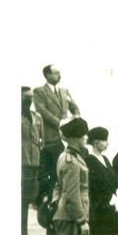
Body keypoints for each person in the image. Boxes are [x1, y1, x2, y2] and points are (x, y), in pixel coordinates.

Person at [51, 117, 89, 235]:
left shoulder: (70, 157)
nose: (86, 138)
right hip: (70, 216)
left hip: (66, 214)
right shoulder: (71, 161)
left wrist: (56, 202)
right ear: (74, 138)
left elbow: (59, 187)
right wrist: (82, 220)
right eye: (83, 135)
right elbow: (73, 194)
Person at [33, 65, 81, 204]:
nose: (59, 75)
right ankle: (51, 205)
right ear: (47, 75)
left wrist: (76, 118)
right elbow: (42, 111)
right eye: (55, 73)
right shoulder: (39, 91)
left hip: (66, 138)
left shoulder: (64, 91)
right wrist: (61, 123)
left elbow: (74, 106)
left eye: (59, 73)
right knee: (54, 174)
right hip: (51, 139)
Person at [21, 86, 44, 235]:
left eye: (30, 97)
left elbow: (40, 139)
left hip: (33, 163)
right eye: (25, 97)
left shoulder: (37, 116)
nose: (28, 100)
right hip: (20, 162)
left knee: (26, 200)